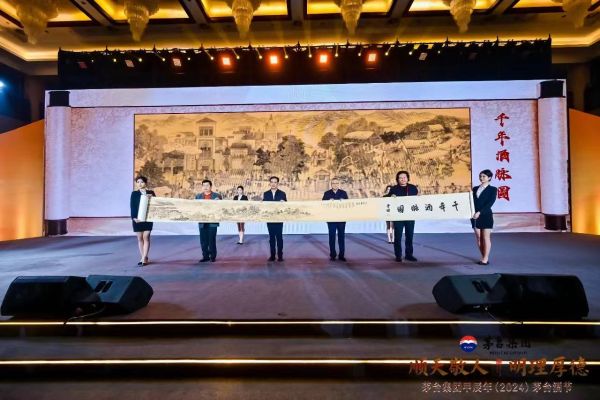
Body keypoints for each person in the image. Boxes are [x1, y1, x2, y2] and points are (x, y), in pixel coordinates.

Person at [388, 171, 418, 262]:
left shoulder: (413, 188)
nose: (403, 179)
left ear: (408, 178)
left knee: (409, 236)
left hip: (410, 215)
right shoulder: (394, 189)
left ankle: (409, 255)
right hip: (398, 216)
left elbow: (417, 199)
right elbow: (387, 198)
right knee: (398, 237)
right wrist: (390, 196)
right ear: (397, 179)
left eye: (404, 177)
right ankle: (398, 255)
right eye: (400, 178)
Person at [471, 169, 498, 265]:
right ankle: (483, 256)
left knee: (486, 237)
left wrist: (480, 212)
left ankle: (485, 259)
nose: (481, 178)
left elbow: (490, 203)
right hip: (474, 216)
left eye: (484, 176)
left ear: (489, 178)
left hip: (486, 215)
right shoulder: (475, 188)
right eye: (480, 176)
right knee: (479, 238)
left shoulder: (493, 189)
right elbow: (471, 201)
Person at [130, 176, 156, 267]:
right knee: (140, 238)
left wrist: (151, 198)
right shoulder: (134, 193)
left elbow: (155, 204)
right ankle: (143, 257)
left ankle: (144, 258)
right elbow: (132, 206)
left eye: (142, 182)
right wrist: (134, 218)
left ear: (145, 183)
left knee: (146, 237)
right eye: (138, 182)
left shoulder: (151, 193)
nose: (140, 184)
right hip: (137, 219)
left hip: (148, 218)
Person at [322, 178, 349, 261]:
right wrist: (328, 202)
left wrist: (344, 202)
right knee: (332, 237)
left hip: (341, 219)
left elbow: (349, 205)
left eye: (336, 183)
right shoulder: (327, 193)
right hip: (331, 219)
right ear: (331, 184)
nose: (335, 185)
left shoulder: (343, 193)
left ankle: (341, 255)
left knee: (341, 237)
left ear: (339, 184)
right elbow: (322, 204)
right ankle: (333, 255)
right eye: (333, 183)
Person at [195, 179, 221, 263]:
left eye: (207, 185)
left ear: (211, 186)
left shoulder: (217, 196)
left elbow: (221, 207)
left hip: (212, 221)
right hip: (202, 221)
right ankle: (205, 256)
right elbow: (195, 208)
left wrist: (218, 202)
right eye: (204, 185)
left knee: (211, 239)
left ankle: (213, 256)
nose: (205, 187)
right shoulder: (198, 196)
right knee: (203, 240)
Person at [263, 176, 287, 262]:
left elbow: (286, 206)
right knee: (271, 238)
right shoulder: (266, 193)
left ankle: (280, 256)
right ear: (269, 183)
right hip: (270, 218)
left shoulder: (282, 193)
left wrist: (284, 203)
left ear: (277, 183)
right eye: (272, 182)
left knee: (279, 237)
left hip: (279, 218)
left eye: (275, 182)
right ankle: (272, 256)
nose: (273, 184)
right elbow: (264, 206)